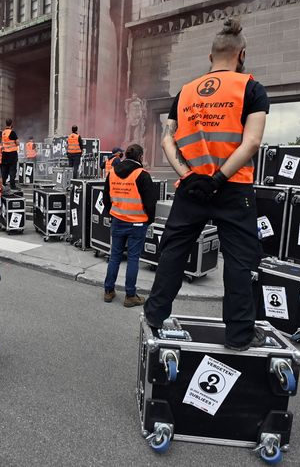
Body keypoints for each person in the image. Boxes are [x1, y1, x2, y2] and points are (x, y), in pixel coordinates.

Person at [143, 18, 270, 351]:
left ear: (209, 56)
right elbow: (252, 142)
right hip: (233, 186)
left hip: (191, 186)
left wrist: (187, 175)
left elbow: (167, 139)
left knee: (172, 251)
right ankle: (239, 335)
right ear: (241, 54)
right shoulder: (251, 89)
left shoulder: (186, 92)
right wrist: (218, 178)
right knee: (240, 263)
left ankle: (155, 315)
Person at [103, 144, 157, 308]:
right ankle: (130, 295)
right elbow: (150, 203)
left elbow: (106, 198)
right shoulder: (143, 175)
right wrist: (149, 220)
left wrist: (111, 213)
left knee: (115, 257)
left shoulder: (112, 173)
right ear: (140, 157)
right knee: (133, 259)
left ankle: (108, 291)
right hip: (137, 223)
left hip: (118, 220)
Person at [0, 118, 19, 190]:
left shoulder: (3, 132)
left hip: (5, 154)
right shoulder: (12, 132)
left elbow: (3, 143)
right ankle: (12, 185)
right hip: (12, 154)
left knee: (4, 170)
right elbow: (17, 143)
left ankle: (3, 184)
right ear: (11, 124)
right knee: (12, 170)